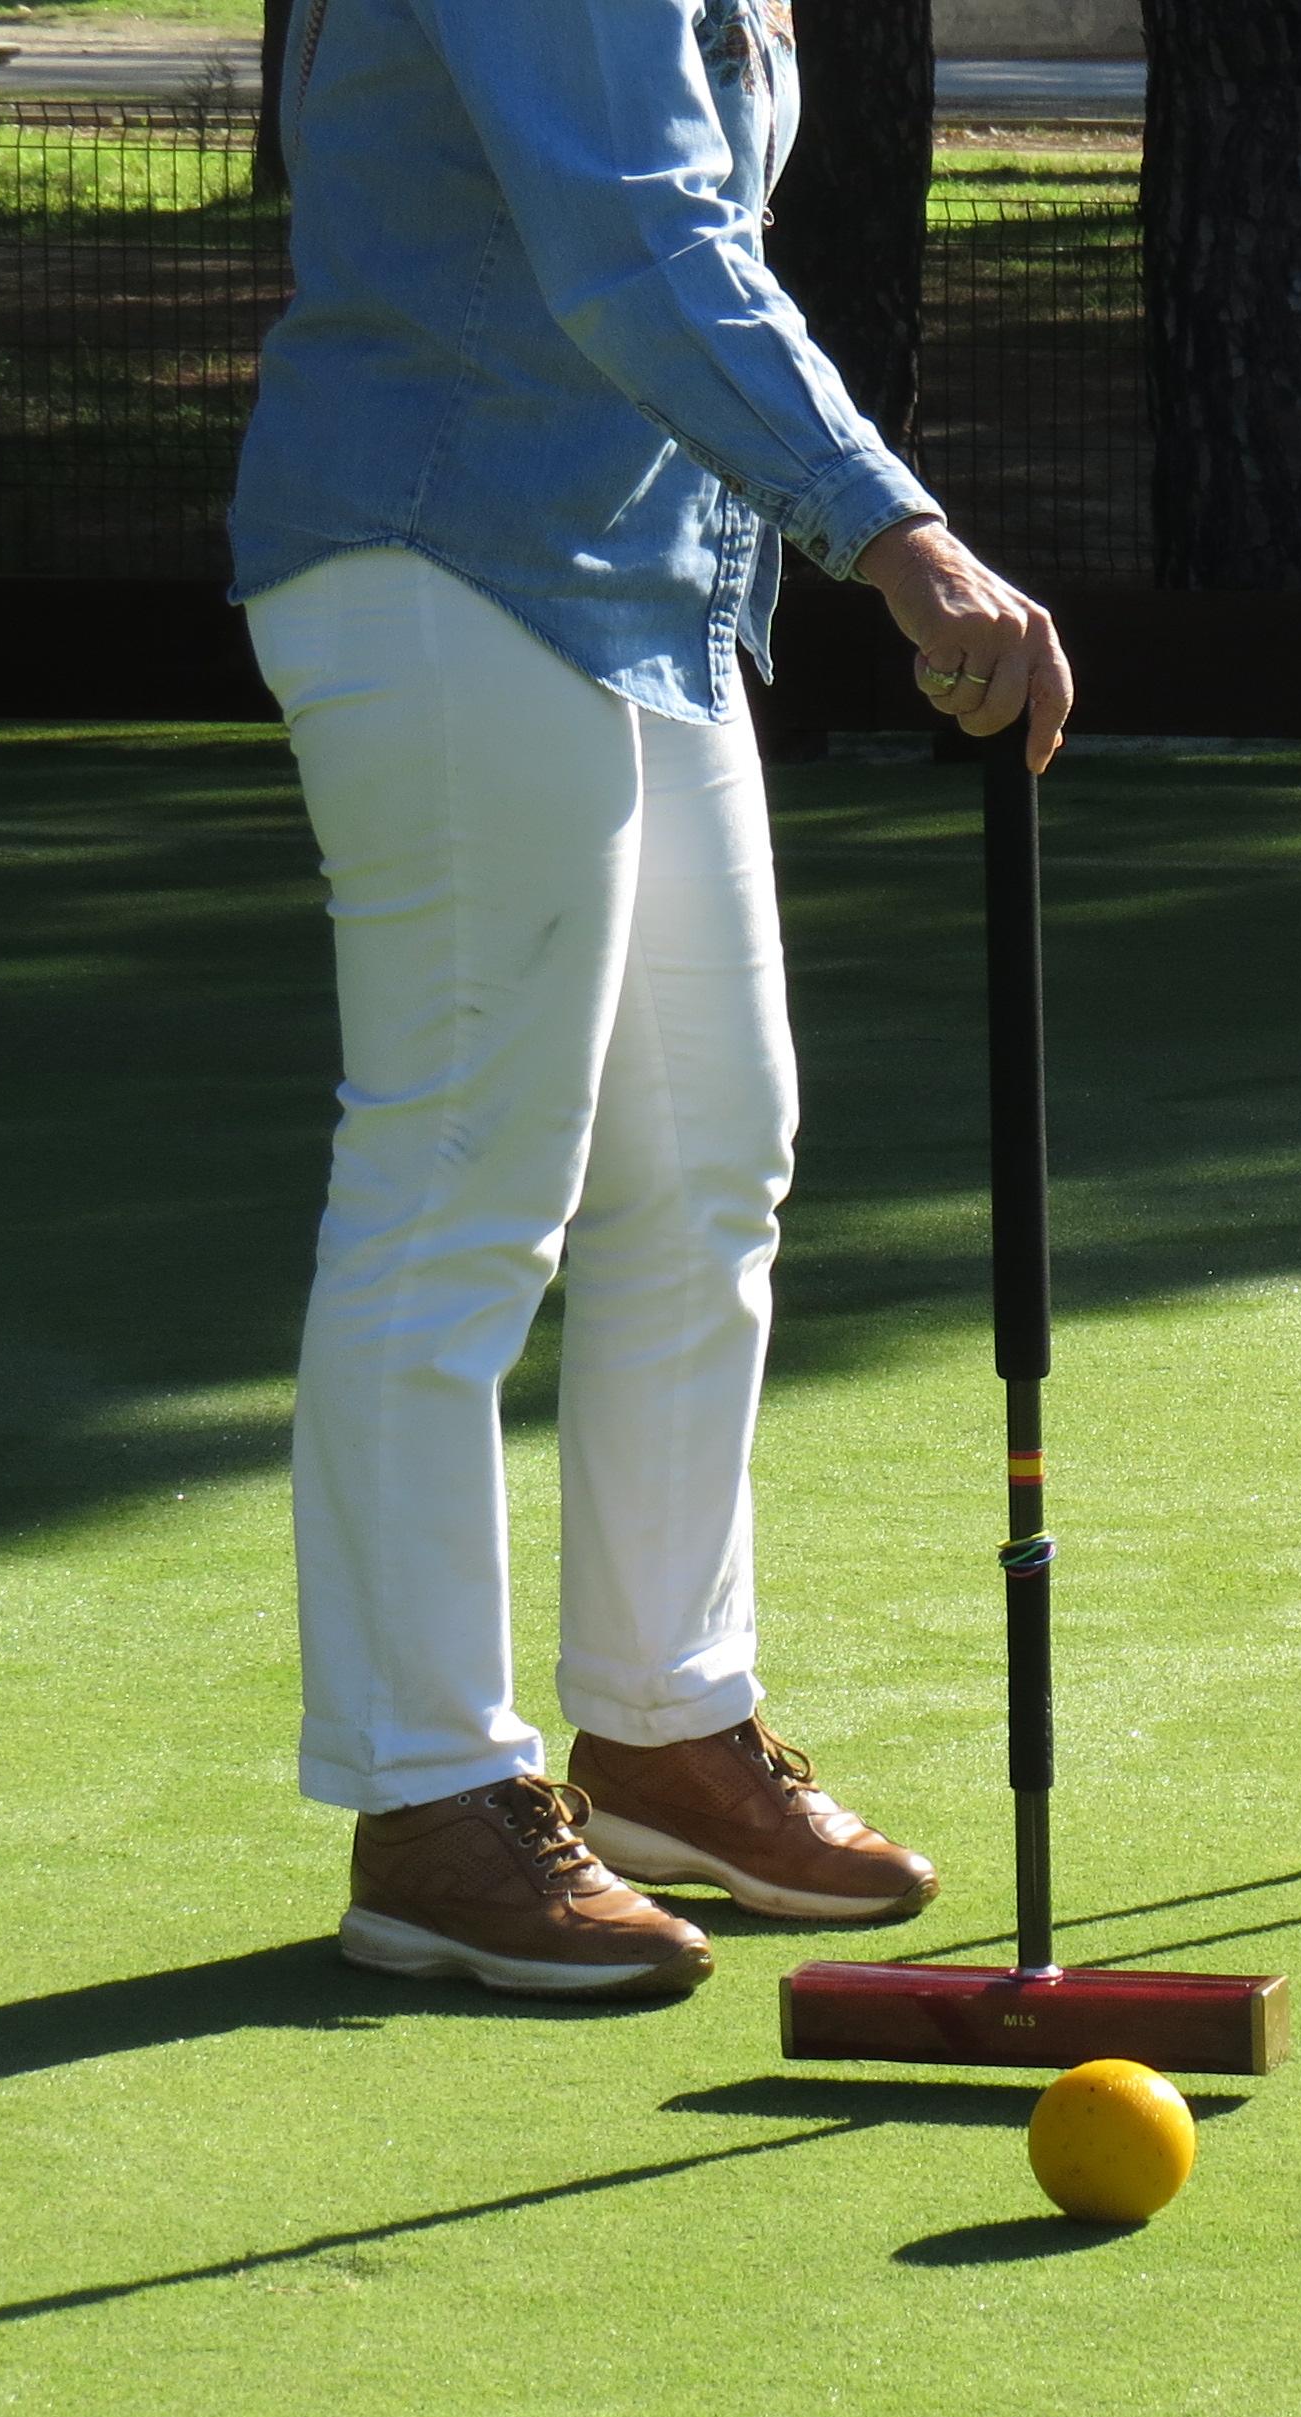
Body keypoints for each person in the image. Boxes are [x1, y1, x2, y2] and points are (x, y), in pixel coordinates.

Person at [230, 0, 1072, 1999]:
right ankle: (427, 1797)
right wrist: (894, 531)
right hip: (442, 550)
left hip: (642, 582)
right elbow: (633, 238)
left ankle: (664, 1730)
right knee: (460, 1183)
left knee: (706, 1163)